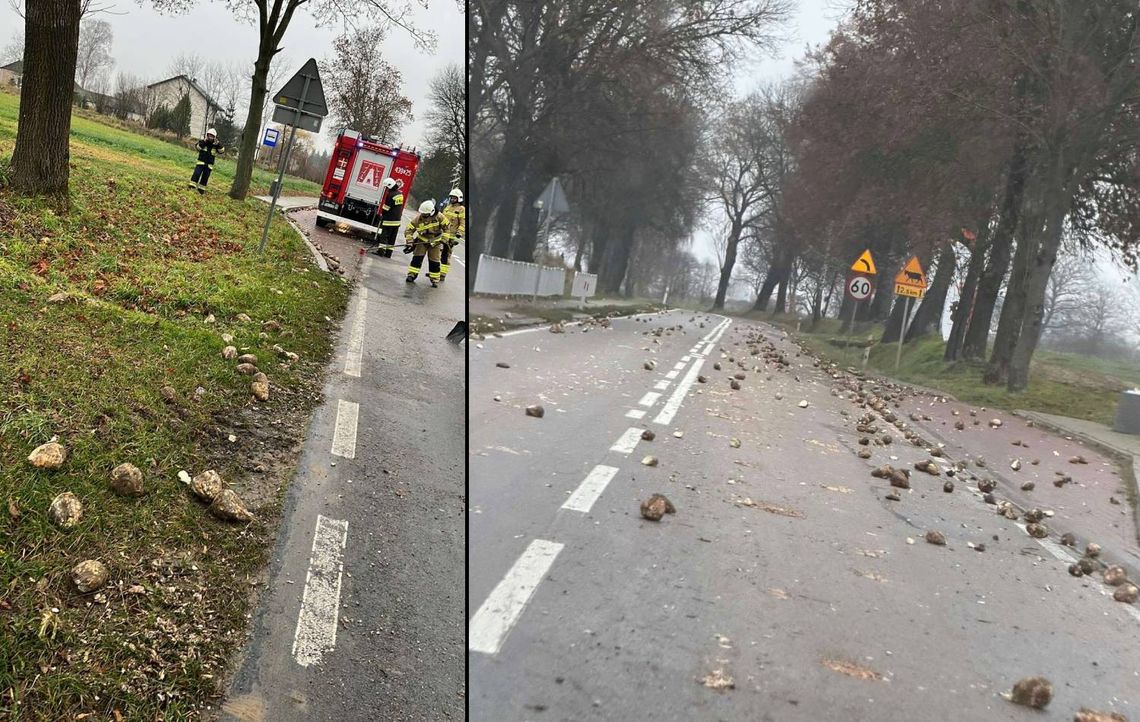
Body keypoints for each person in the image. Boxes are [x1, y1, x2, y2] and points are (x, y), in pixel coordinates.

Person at [404, 200, 446, 287]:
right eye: (422, 213)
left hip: (436, 242)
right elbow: (409, 230)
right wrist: (410, 241)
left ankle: (434, 279)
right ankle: (411, 275)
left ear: (431, 212)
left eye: (425, 214)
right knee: (417, 259)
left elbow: (447, 228)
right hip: (422, 241)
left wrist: (444, 239)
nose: (423, 216)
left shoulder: (440, 217)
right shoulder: (418, 218)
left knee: (434, 261)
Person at [372, 178, 405, 256]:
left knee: (384, 236)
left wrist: (382, 215)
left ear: (389, 186)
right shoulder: (400, 194)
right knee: (392, 238)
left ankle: (381, 252)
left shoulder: (390, 194)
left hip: (389, 220)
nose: (386, 189)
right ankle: (388, 253)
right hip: (397, 220)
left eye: (386, 187)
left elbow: (386, 208)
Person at [439, 188, 465, 283]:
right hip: (442, 234)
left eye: (454, 198)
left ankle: (442, 274)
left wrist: (459, 233)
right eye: (451, 198)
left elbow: (463, 223)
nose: (452, 199)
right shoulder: (447, 207)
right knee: (437, 254)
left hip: (451, 236)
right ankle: (436, 272)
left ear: (459, 199)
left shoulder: (461, 209)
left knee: (446, 255)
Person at [189, 128, 223, 194]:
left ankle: (201, 190)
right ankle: (192, 186)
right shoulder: (203, 142)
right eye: (209, 135)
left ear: (214, 137)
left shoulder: (216, 145)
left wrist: (218, 144)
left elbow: (222, 151)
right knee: (196, 174)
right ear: (207, 135)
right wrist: (204, 142)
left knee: (205, 177)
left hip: (209, 165)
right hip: (200, 163)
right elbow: (198, 147)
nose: (210, 137)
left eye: (212, 136)